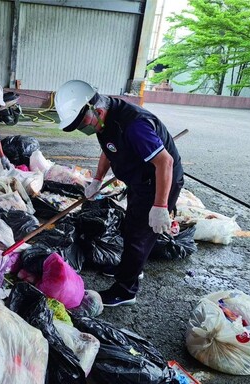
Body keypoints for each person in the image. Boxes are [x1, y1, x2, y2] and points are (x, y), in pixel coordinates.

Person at [54, 80, 184, 307]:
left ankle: (126, 290)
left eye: (81, 123)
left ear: (97, 109)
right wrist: (96, 180)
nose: (81, 129)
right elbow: (109, 150)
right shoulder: (103, 121)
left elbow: (165, 162)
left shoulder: (134, 125)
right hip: (140, 181)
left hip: (160, 182)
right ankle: (131, 268)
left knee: (139, 236)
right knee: (131, 227)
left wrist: (161, 206)